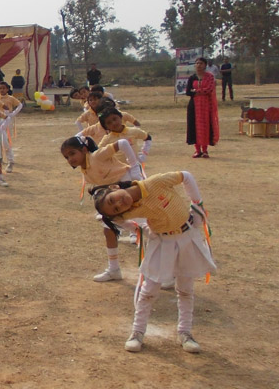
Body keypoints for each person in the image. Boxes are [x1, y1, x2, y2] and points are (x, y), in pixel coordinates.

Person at [91, 171, 215, 353]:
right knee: (148, 290)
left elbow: (186, 176)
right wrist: (143, 230)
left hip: (188, 238)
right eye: (116, 208)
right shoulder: (129, 210)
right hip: (162, 243)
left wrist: (197, 204)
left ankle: (185, 332)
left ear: (114, 187)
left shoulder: (155, 183)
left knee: (186, 289)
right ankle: (137, 332)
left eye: (112, 200)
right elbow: (116, 220)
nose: (119, 204)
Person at [61, 135, 141, 282]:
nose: (70, 159)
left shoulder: (97, 156)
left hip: (130, 187)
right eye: (67, 157)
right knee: (108, 229)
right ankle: (114, 269)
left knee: (151, 227)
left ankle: (166, 270)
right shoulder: (85, 172)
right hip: (116, 195)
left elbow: (123, 143)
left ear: (84, 150)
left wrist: (135, 169)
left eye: (72, 153)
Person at [185, 57, 220, 158]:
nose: (198, 65)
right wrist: (198, 91)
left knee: (205, 126)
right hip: (194, 105)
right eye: (197, 63)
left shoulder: (210, 77)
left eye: (201, 63)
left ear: (205, 65)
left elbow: (209, 89)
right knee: (194, 126)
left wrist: (196, 91)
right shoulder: (192, 78)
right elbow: (188, 92)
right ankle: (197, 150)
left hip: (206, 105)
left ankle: (205, 150)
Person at [0, 82, 23, 172]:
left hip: (7, 120)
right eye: (0, 88)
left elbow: (20, 105)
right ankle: (0, 158)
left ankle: (10, 161)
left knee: (5, 140)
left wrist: (13, 113)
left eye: (4, 88)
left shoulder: (10, 98)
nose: (2, 90)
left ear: (7, 89)